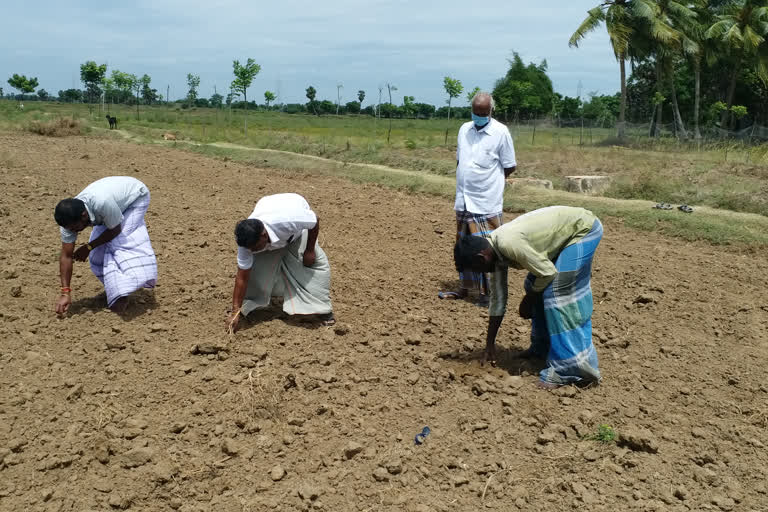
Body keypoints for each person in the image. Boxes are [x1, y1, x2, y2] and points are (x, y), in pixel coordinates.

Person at [453, 206, 603, 388]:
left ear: (480, 258)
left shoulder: (508, 243)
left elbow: (548, 273)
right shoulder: (493, 252)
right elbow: (498, 300)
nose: (480, 274)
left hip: (583, 229)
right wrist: (489, 345)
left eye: (476, 270)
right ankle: (541, 349)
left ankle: (570, 369)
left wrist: (528, 299)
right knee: (533, 285)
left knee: (556, 293)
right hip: (567, 233)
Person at [442, 91, 516, 306]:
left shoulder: (501, 132)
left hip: (486, 202)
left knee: (487, 249)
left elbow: (509, 166)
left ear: (491, 111)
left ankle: (490, 294)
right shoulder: (464, 129)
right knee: (464, 248)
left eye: (483, 113)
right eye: (475, 112)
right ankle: (465, 288)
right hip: (464, 200)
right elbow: (460, 161)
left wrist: (489, 182)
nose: (478, 116)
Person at [228, 193, 334, 332]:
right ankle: (248, 306)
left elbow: (314, 220)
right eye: (249, 249)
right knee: (255, 272)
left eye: (255, 248)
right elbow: (242, 277)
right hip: (268, 208)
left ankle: (322, 310)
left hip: (295, 232)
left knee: (314, 268)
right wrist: (235, 311)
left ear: (264, 236)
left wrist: (309, 250)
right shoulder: (247, 243)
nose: (251, 251)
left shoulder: (289, 220)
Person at [54, 176, 157, 314]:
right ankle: (115, 287)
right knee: (96, 256)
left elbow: (115, 230)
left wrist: (89, 246)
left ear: (84, 216)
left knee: (117, 244)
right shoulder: (68, 221)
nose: (72, 231)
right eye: (69, 229)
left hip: (135, 197)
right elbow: (66, 256)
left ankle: (123, 293)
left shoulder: (101, 203)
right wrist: (65, 292)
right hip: (112, 206)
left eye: (74, 228)